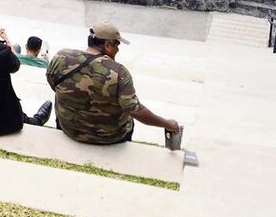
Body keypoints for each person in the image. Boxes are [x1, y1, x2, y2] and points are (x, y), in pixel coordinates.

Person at [47, 22, 179, 145]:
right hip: (109, 137)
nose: (118, 49)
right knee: (129, 121)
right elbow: (134, 110)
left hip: (69, 128)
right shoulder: (119, 72)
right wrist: (167, 124)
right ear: (107, 45)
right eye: (117, 45)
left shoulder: (62, 56)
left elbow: (53, 83)